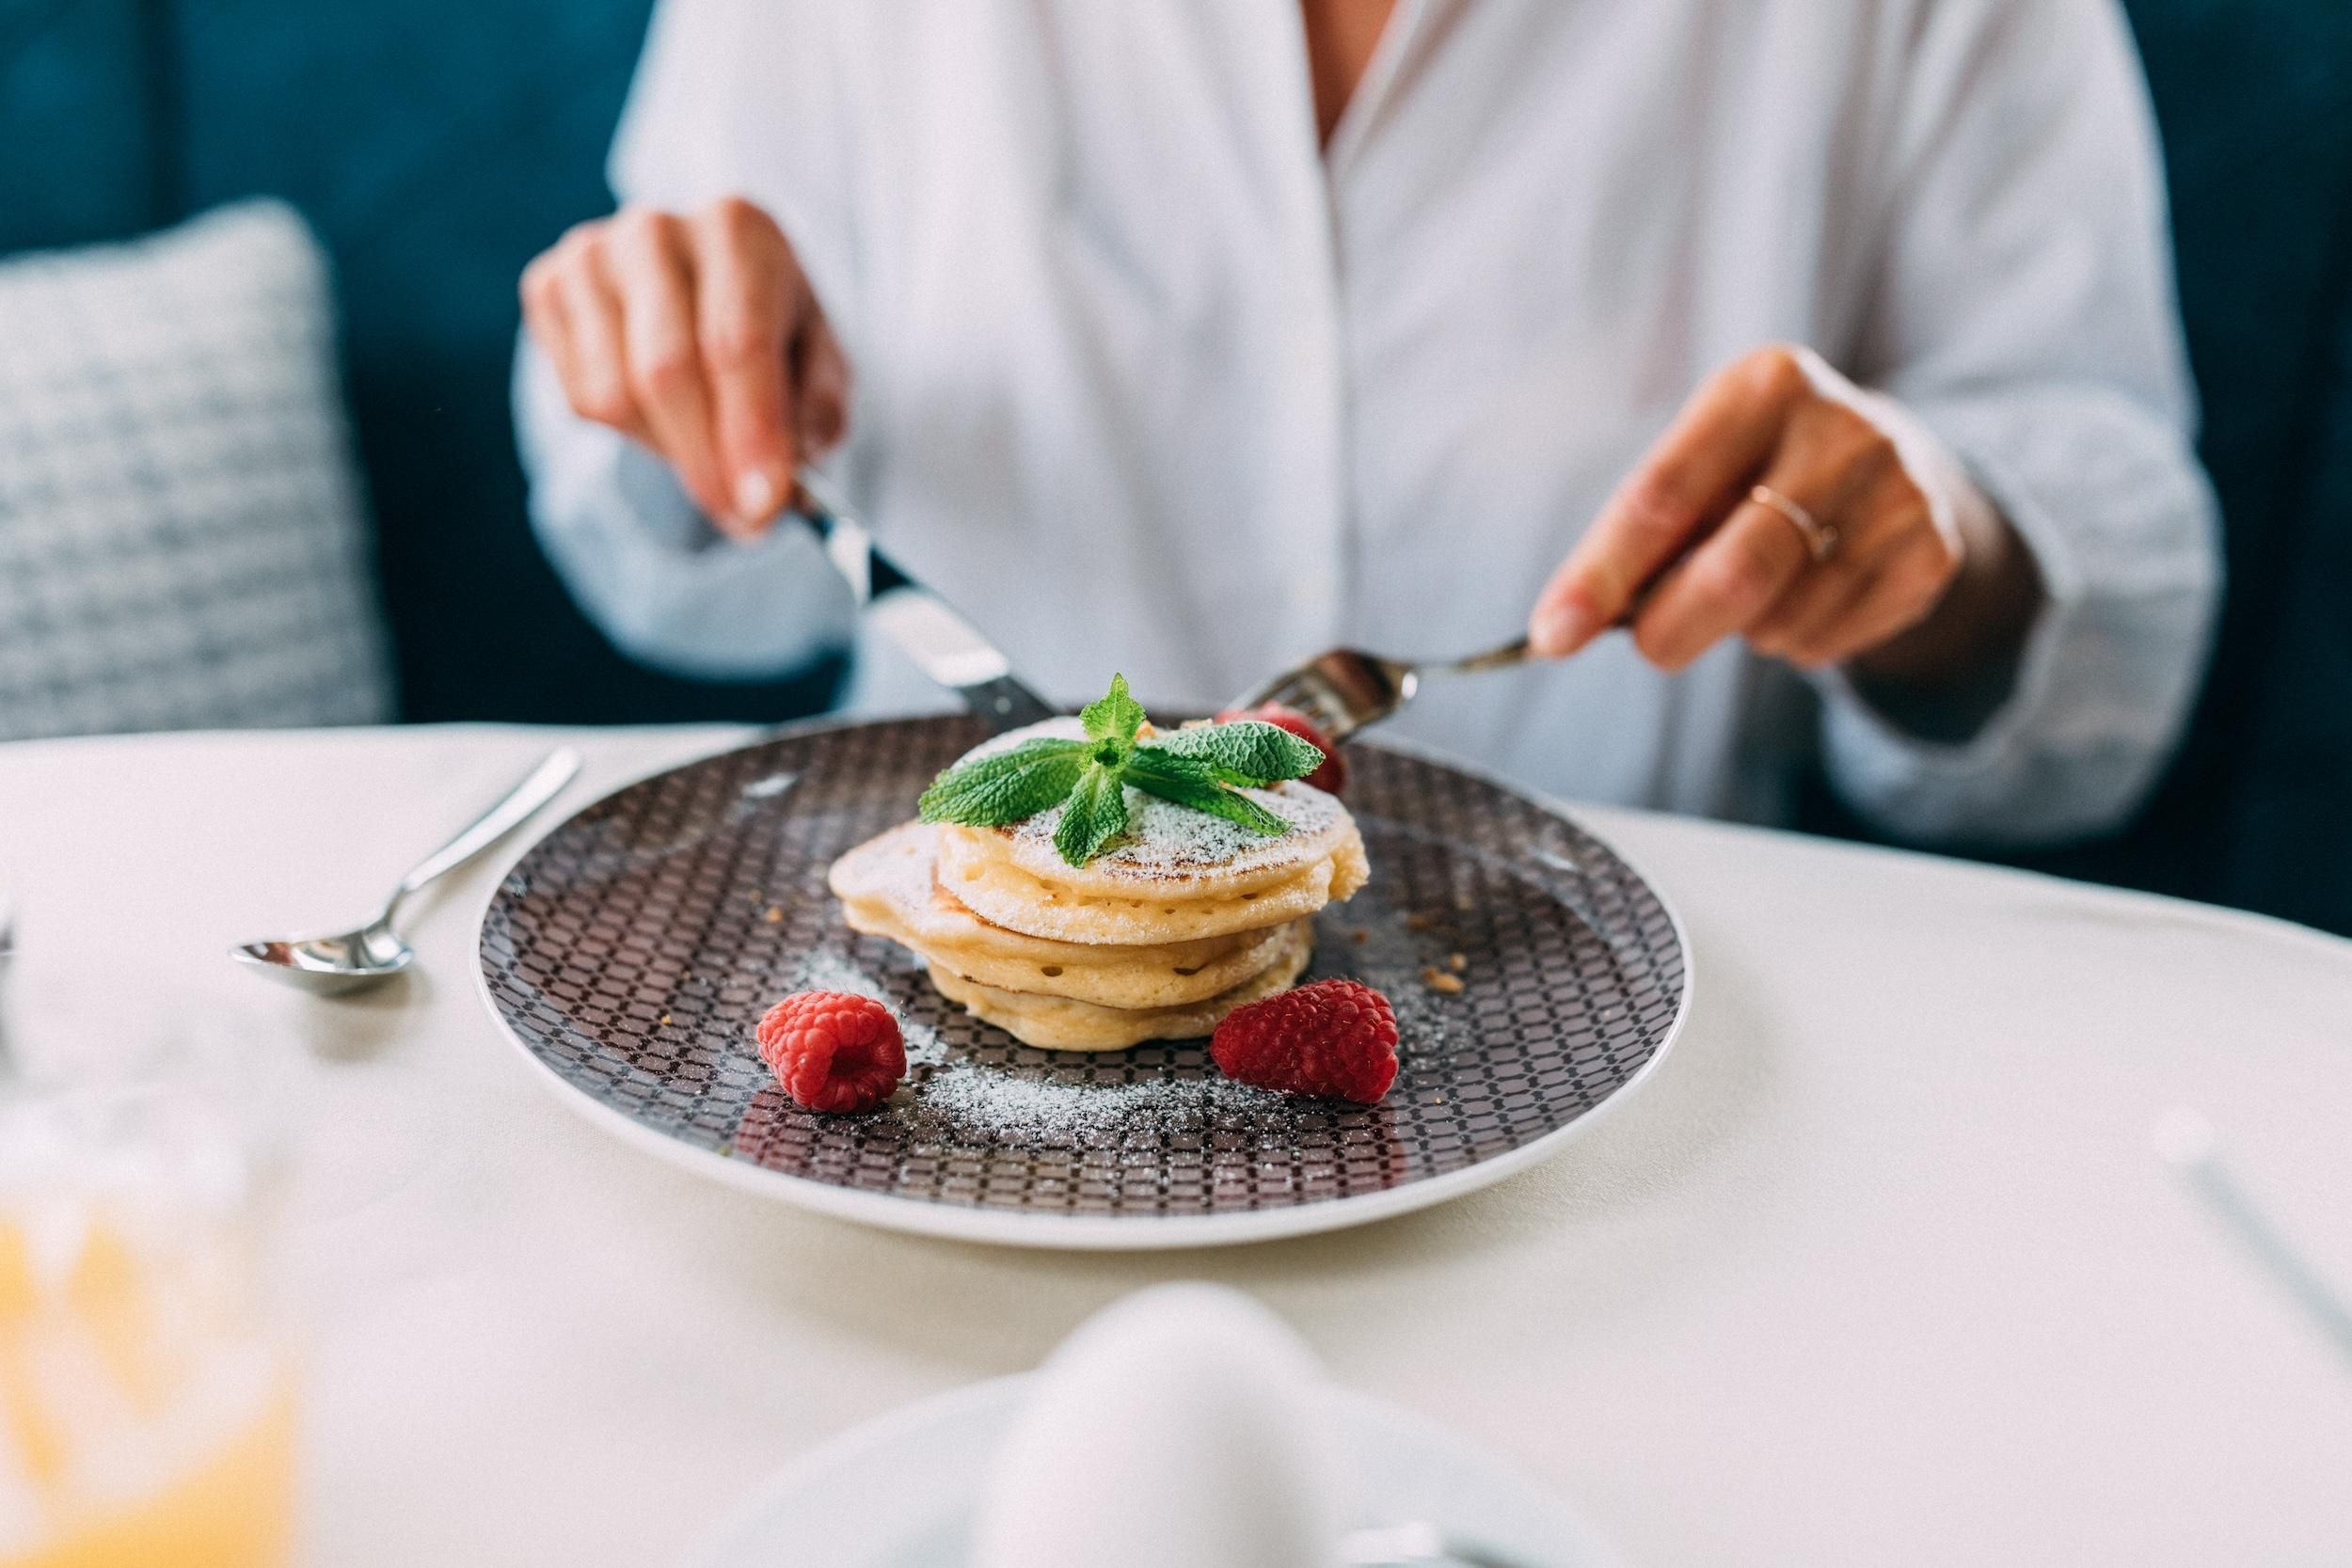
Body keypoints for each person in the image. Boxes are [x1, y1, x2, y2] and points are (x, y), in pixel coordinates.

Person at [515, 0, 2218, 845]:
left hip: (1641, 1058)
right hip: (936, 1025)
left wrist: (1947, 544)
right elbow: (668, 571)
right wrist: (668, 374)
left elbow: (2114, 623)